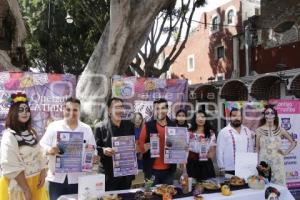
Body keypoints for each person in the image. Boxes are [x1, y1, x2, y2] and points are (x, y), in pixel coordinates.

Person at [40, 97, 97, 200]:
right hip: (56, 179)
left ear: (79, 111)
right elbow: (42, 145)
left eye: (75, 110)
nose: (71, 113)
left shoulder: (86, 129)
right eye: (68, 109)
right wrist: (50, 150)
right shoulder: (54, 126)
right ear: (63, 110)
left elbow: (92, 149)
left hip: (78, 179)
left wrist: (94, 157)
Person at [0, 92, 48, 200]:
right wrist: (25, 189)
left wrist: (43, 172)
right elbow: (10, 164)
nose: (25, 113)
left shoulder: (31, 132)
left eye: (27, 110)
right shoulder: (9, 136)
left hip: (36, 182)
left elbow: (41, 154)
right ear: (13, 113)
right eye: (21, 110)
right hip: (19, 186)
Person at [95, 97, 135, 191]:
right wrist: (103, 151)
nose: (119, 110)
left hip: (126, 174)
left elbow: (134, 144)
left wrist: (135, 147)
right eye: (116, 107)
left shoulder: (129, 125)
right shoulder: (100, 127)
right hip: (108, 176)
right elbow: (95, 148)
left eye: (121, 107)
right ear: (109, 109)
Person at [256, 105, 296, 186]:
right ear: (264, 115)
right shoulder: (259, 130)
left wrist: (285, 153)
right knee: (264, 186)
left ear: (275, 115)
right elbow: (257, 148)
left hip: (278, 162)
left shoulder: (280, 130)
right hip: (264, 163)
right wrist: (257, 162)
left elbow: (294, 142)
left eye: (272, 113)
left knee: (279, 186)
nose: (270, 115)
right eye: (267, 113)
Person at [139, 98, 177, 185]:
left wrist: (182, 148)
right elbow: (140, 146)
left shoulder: (173, 126)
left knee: (167, 195)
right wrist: (143, 147)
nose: (160, 111)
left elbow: (179, 145)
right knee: (150, 196)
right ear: (154, 110)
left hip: (169, 171)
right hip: (151, 171)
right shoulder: (148, 125)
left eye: (163, 108)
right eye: (157, 108)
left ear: (167, 109)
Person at [217, 108, 254, 175]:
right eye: (234, 116)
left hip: (245, 167)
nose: (236, 118)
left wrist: (251, 165)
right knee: (230, 185)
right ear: (230, 117)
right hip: (229, 168)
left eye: (239, 116)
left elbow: (250, 148)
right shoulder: (223, 132)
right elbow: (219, 150)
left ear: (241, 118)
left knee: (246, 185)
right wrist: (221, 167)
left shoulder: (247, 130)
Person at [187, 110, 216, 181]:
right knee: (192, 187)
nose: (200, 119)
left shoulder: (211, 133)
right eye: (198, 117)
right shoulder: (189, 132)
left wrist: (204, 155)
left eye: (203, 117)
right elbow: (185, 148)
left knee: (208, 186)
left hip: (206, 164)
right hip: (191, 163)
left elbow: (212, 153)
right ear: (195, 119)